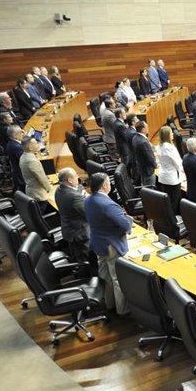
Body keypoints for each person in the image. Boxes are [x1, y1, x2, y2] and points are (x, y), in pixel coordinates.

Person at [84, 172, 133, 316]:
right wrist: (127, 222)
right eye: (108, 182)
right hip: (112, 245)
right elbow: (125, 225)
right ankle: (122, 310)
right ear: (104, 185)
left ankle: (109, 304)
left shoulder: (88, 200)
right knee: (118, 278)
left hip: (98, 243)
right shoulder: (108, 204)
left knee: (105, 276)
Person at [55, 168, 90, 264]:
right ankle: (88, 277)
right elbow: (89, 215)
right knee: (85, 259)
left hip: (69, 229)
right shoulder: (74, 197)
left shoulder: (59, 189)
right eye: (75, 175)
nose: (78, 177)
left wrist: (82, 195)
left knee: (77, 254)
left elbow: (79, 188)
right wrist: (86, 198)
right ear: (70, 180)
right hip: (80, 234)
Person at [19, 136, 53, 211]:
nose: (38, 144)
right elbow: (41, 178)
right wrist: (50, 189)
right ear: (30, 148)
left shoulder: (23, 156)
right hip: (39, 194)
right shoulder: (31, 161)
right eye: (36, 143)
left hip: (31, 191)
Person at [158, 126, 184, 213]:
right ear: (167, 135)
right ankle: (174, 220)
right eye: (171, 133)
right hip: (172, 178)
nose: (172, 134)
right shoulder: (170, 147)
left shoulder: (159, 146)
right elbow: (178, 163)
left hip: (163, 176)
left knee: (167, 200)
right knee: (175, 202)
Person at [132, 120, 157, 188]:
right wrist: (156, 165)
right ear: (143, 129)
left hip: (141, 168)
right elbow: (149, 157)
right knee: (150, 190)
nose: (148, 128)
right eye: (147, 127)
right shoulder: (143, 142)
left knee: (145, 186)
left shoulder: (135, 138)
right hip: (148, 171)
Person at [5, 125, 25, 192]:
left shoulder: (12, 142)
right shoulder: (16, 147)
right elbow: (26, 161)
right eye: (21, 132)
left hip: (16, 171)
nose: (23, 133)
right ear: (15, 135)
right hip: (21, 175)